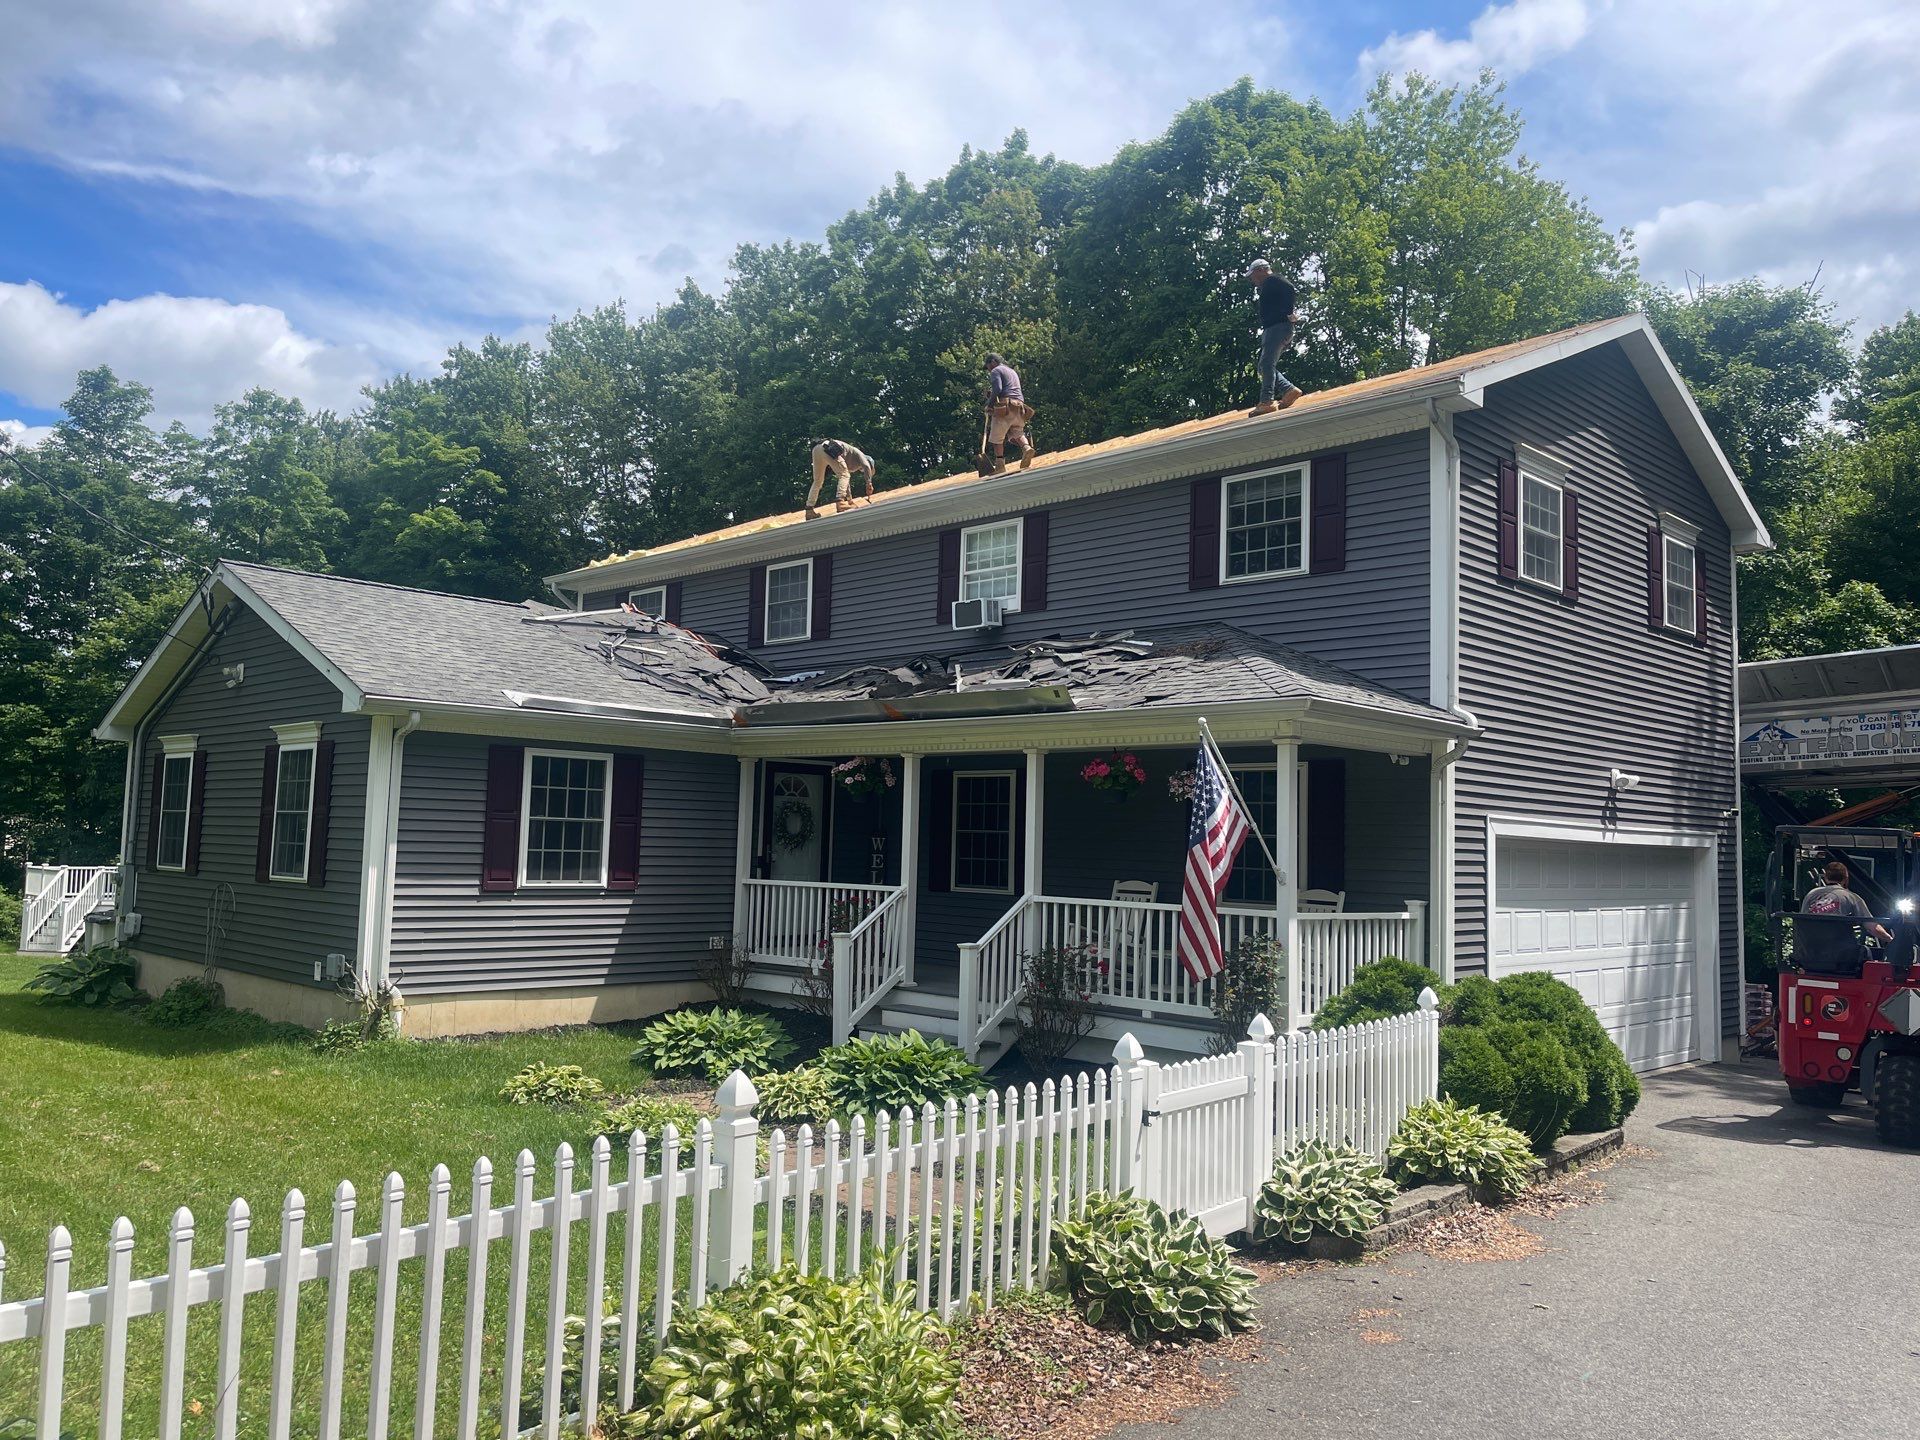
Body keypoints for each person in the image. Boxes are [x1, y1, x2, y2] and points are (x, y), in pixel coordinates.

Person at [1797, 859, 1891, 971]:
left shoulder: (1810, 895)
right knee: (1866, 952)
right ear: (1846, 878)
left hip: (1811, 956)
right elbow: (1872, 928)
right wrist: (1890, 939)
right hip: (1841, 960)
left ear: (1825, 878)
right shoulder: (1851, 897)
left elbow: (1803, 922)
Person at [1247, 259, 1303, 415]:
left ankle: (1266, 401)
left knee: (1266, 365)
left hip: (1277, 327)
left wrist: (1288, 312)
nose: (1253, 280)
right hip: (1276, 328)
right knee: (1264, 366)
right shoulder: (1270, 284)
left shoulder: (1273, 280)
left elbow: (1290, 289)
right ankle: (1289, 390)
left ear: (1261, 270)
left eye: (1253, 276)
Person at [983, 353, 1034, 473]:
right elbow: (1008, 389)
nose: (989, 370)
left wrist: (989, 405)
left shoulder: (996, 371)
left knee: (997, 437)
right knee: (1017, 431)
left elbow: (998, 389)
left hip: (1005, 407)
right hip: (1020, 406)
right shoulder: (1011, 371)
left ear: (993, 362)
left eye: (988, 366)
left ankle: (1000, 466)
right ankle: (1026, 448)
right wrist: (992, 396)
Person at [806, 437, 876, 518]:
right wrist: (869, 483)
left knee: (818, 481)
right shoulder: (861, 455)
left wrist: (850, 501)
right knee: (844, 475)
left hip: (816, 449)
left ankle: (809, 510)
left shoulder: (849, 459)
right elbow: (866, 466)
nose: (862, 471)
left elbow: (846, 483)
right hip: (828, 447)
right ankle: (840, 502)